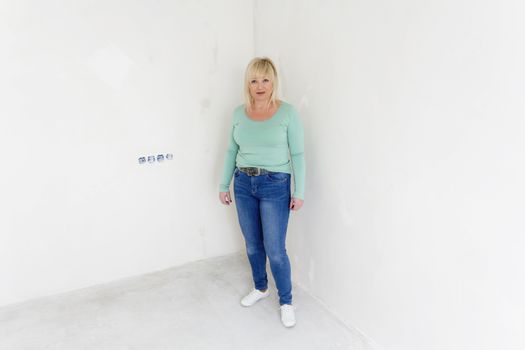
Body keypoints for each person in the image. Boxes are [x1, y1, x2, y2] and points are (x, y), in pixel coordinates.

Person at [218, 57, 305, 328]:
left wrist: (299, 191)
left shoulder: (287, 112)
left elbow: (298, 153)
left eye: (265, 80)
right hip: (243, 183)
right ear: (248, 83)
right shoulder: (237, 113)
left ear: (273, 82)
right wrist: (223, 184)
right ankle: (260, 287)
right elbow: (232, 150)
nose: (259, 85)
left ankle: (286, 301)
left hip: (275, 184)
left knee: (275, 249)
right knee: (253, 244)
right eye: (254, 80)